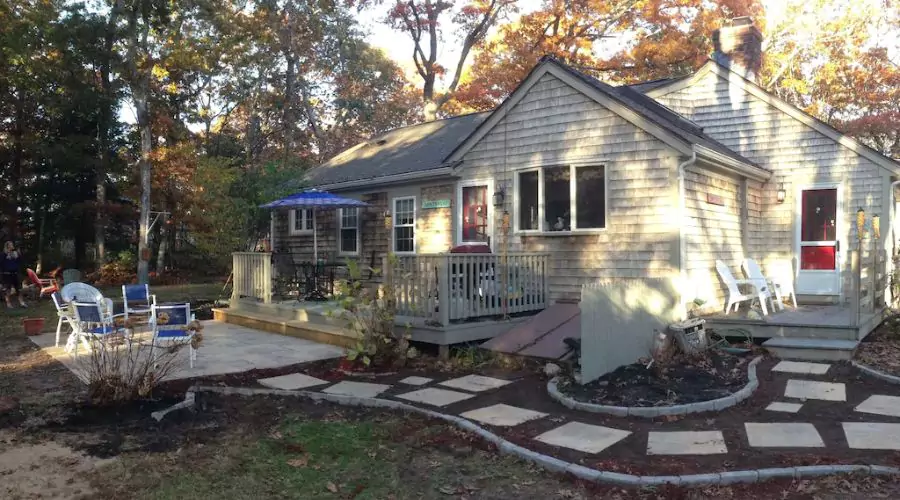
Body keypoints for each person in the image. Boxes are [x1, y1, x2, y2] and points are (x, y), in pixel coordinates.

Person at [2, 241, 27, 308]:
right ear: (7, 246)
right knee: (8, 289)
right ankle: (8, 304)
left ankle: (22, 303)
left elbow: (19, 262)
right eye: (10, 245)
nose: (12, 246)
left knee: (19, 289)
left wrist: (19, 255)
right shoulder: (4, 254)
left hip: (15, 273)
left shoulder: (15, 254)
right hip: (7, 274)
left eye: (12, 245)